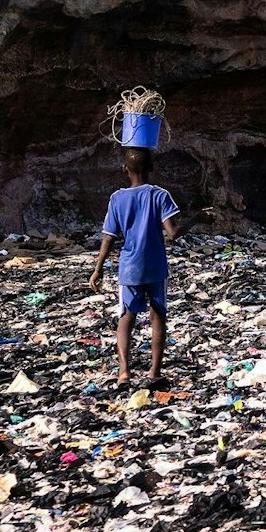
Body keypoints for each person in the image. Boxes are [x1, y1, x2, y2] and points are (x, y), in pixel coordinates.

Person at [89, 147, 182, 387]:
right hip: (155, 267)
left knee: (126, 317)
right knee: (158, 315)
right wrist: (199, 218)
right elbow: (173, 233)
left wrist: (98, 268)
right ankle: (153, 373)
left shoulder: (117, 198)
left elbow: (109, 237)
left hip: (129, 267)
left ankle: (124, 373)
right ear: (151, 168)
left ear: (125, 169)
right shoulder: (160, 196)